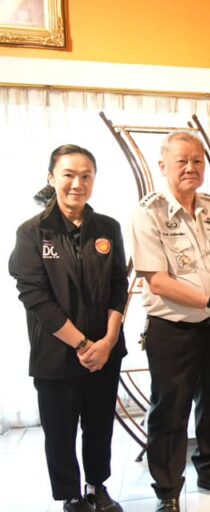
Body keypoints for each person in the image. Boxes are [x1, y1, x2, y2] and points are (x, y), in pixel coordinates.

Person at [130, 131, 210, 512]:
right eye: (181, 160)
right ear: (163, 165)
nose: (190, 168)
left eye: (197, 161)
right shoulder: (148, 213)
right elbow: (157, 281)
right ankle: (168, 491)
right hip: (172, 330)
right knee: (170, 411)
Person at [9, 145, 127, 512]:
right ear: (52, 177)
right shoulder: (32, 232)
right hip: (56, 354)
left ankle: (96, 487)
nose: (78, 183)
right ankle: (71, 496)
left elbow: (119, 287)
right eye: (69, 175)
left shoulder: (108, 227)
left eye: (86, 176)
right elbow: (35, 296)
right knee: (60, 432)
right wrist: (82, 345)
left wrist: (108, 341)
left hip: (105, 351)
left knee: (99, 425)